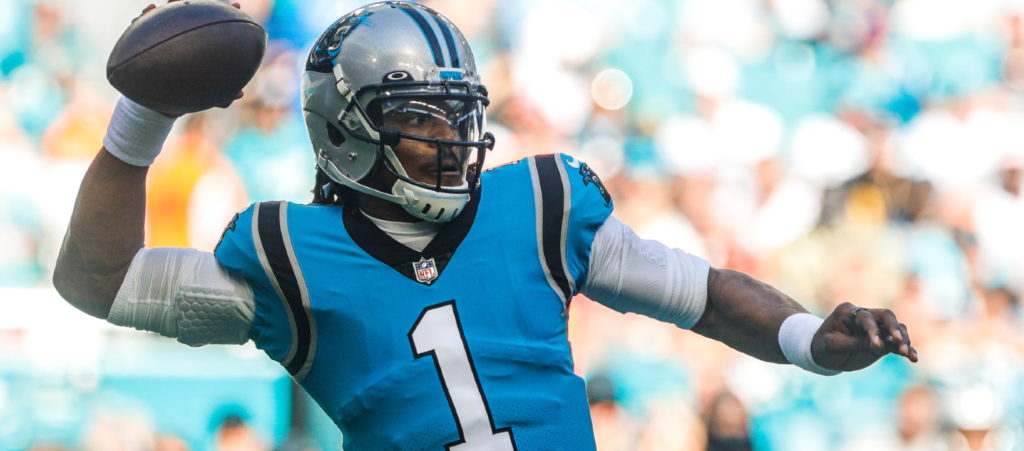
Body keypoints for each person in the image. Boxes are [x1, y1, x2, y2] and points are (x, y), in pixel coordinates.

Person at [52, 2, 918, 449]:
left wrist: (809, 337)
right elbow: (98, 282)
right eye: (420, 117)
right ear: (345, 129)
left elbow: (706, 296)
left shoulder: (539, 207)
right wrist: (141, 120)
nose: (452, 139)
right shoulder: (289, 258)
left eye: (459, 113)